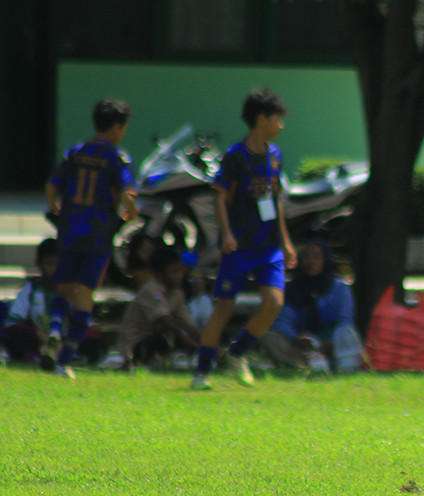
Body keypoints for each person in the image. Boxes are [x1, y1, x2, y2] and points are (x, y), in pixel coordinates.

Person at [190, 89, 298, 389]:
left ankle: (236, 353)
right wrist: (225, 234)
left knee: (274, 302)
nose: (281, 126)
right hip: (239, 246)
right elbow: (221, 197)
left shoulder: (275, 156)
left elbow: (275, 200)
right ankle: (201, 372)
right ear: (261, 119)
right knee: (223, 307)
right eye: (278, 119)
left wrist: (286, 241)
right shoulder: (236, 156)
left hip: (268, 246)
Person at [43, 98, 138, 378]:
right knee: (85, 295)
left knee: (63, 290)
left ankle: (55, 330)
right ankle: (64, 361)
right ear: (118, 127)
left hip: (70, 230)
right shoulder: (117, 157)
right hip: (99, 236)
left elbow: (51, 187)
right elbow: (126, 193)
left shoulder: (74, 153)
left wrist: (55, 208)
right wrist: (131, 212)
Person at [258, 238, 364, 373]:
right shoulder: (292, 289)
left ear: (325, 260)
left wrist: (331, 341)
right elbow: (283, 321)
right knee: (269, 338)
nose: (311, 261)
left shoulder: (339, 288)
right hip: (304, 344)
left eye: (316, 257)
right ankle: (307, 365)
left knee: (347, 334)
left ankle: (338, 365)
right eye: (307, 257)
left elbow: (345, 321)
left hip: (332, 343)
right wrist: (296, 338)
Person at [118, 246, 200, 369]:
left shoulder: (176, 292)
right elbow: (164, 322)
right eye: (174, 272)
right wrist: (193, 345)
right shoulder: (150, 290)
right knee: (167, 333)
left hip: (156, 338)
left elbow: (188, 324)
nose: (180, 276)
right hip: (136, 344)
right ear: (160, 275)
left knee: (174, 332)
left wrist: (208, 344)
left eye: (181, 271)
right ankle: (140, 363)